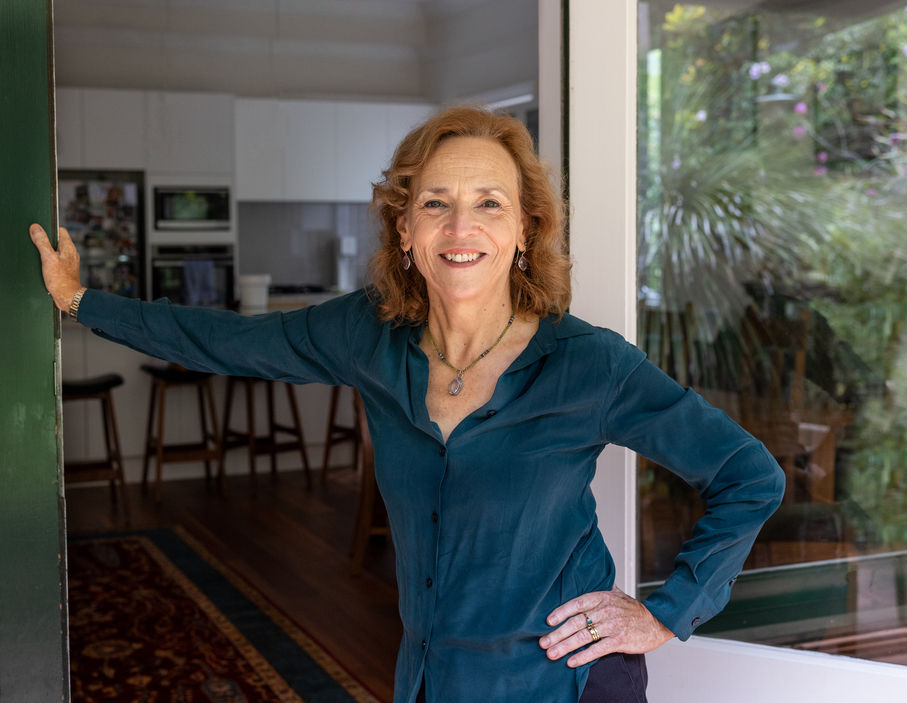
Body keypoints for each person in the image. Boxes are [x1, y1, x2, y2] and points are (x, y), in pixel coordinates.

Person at [30, 106, 784, 703]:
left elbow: (748, 475)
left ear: (525, 229)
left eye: (489, 203)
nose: (461, 228)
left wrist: (665, 612)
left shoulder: (589, 365)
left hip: (562, 683)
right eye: (436, 203)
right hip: (430, 677)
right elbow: (229, 340)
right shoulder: (368, 335)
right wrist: (80, 300)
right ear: (405, 227)